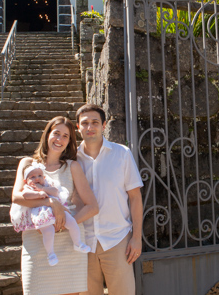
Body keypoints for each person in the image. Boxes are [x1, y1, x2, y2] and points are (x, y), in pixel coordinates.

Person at [12, 116, 98, 295]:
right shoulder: (28, 164)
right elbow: (17, 197)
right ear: (47, 134)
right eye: (56, 133)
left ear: (70, 141)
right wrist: (50, 202)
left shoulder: (72, 166)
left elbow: (92, 206)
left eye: (65, 136)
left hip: (69, 243)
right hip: (35, 241)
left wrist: (65, 222)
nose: (59, 139)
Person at [75, 104, 144, 295]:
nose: (90, 127)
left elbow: (135, 197)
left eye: (95, 122)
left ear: (104, 125)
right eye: (85, 123)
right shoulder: (72, 159)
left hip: (117, 239)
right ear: (78, 127)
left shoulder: (122, 154)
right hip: (83, 242)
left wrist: (136, 238)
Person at [9, 161, 91, 266]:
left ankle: (78, 243)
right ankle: (51, 253)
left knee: (72, 222)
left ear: (44, 177)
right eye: (32, 177)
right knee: (48, 231)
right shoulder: (28, 188)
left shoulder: (47, 184)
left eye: (39, 175)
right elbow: (25, 195)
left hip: (59, 210)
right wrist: (38, 194)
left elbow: (55, 192)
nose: (37, 179)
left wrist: (43, 189)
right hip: (42, 213)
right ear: (25, 181)